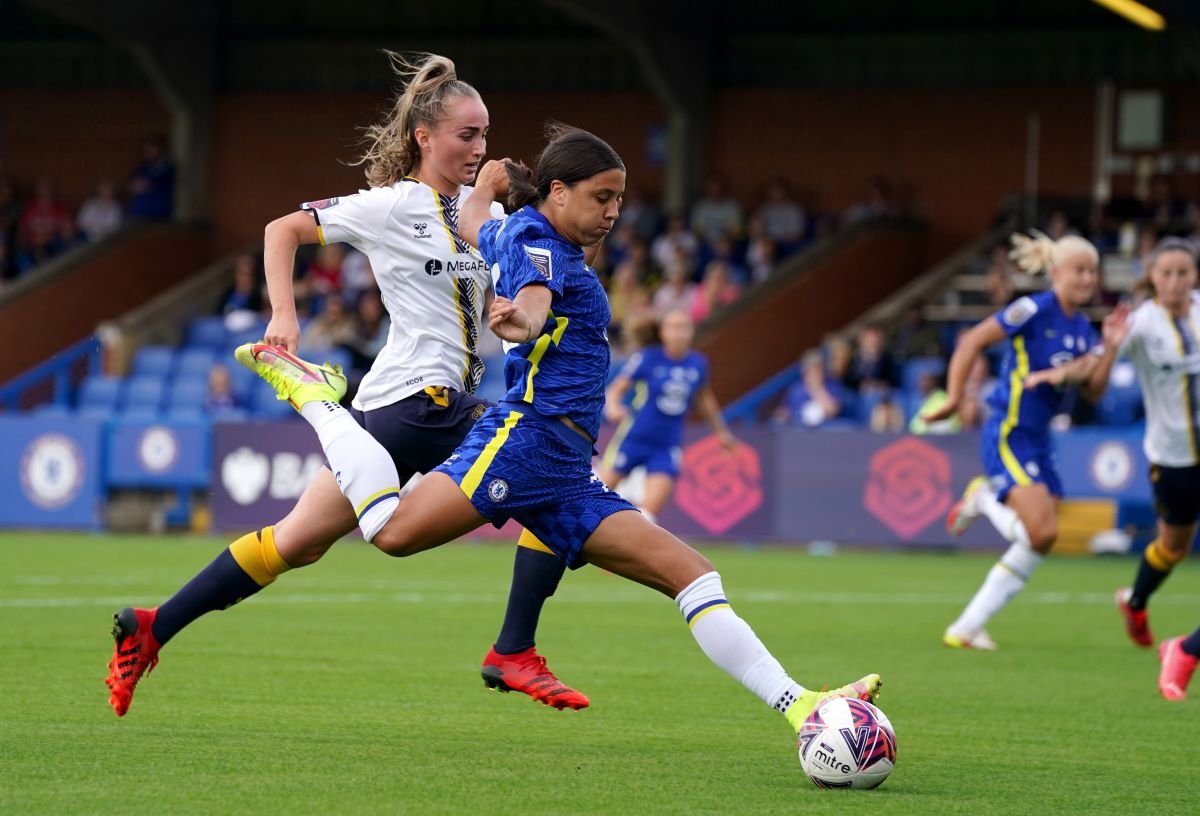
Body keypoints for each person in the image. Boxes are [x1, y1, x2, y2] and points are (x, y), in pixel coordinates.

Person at [230, 128, 880, 736]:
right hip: (528, 439)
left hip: (566, 463)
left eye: (620, 199)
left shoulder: (521, 235)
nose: (613, 212)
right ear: (558, 193)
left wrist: (485, 192)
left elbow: (479, 228)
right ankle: (317, 401)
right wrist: (524, 321)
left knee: (694, 575)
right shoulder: (539, 245)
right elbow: (535, 299)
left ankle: (803, 707)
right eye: (601, 197)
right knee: (392, 534)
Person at [105, 53, 589, 718]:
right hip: (421, 401)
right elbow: (282, 230)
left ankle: (152, 625)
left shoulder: (486, 219)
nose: (480, 147)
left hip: (387, 412)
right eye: (466, 135)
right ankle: (515, 648)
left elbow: (520, 290)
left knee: (294, 542)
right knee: (548, 473)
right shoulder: (391, 206)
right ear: (425, 138)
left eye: (484, 134)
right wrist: (285, 313)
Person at [929, 230, 1128, 650]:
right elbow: (972, 341)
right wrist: (953, 396)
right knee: (1041, 531)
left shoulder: (1082, 328)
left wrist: (1108, 349)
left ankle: (966, 627)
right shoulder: (1033, 309)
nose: (1088, 278)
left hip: (1040, 439)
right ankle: (984, 498)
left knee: (1042, 536)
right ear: (1056, 271)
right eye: (1079, 269)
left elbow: (1093, 391)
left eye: (1093, 271)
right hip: (1010, 429)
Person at [1068, 238, 1200, 653]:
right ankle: (1137, 602)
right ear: (1153, 276)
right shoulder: (1141, 322)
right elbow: (1093, 391)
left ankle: (1185, 651)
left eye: (1184, 273)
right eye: (1167, 273)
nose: (1176, 282)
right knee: (1174, 548)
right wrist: (1110, 346)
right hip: (1173, 457)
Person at [597, 310, 735, 523]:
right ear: (662, 333)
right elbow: (617, 388)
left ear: (691, 332)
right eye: (673, 327)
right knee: (597, 497)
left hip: (667, 445)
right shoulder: (648, 358)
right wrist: (613, 407)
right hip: (634, 438)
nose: (679, 333)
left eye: (684, 327)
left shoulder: (698, 363)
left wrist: (722, 433)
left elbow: (704, 399)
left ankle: (627, 548)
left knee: (649, 513)